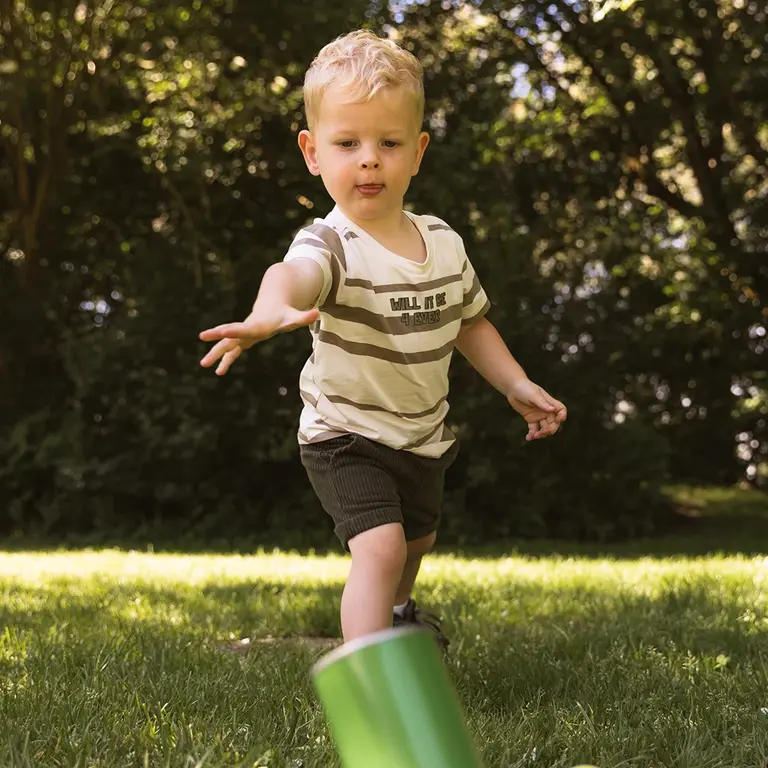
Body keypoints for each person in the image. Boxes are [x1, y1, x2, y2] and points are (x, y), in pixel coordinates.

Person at [199, 30, 567, 648]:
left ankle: (399, 618)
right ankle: (375, 682)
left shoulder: (444, 243)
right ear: (313, 152)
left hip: (421, 435)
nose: (368, 158)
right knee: (382, 546)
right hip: (344, 433)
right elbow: (289, 277)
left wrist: (515, 383)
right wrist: (268, 315)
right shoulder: (331, 242)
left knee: (416, 542)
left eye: (388, 143)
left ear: (418, 151)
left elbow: (471, 323)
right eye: (347, 143)